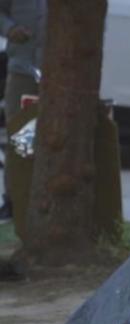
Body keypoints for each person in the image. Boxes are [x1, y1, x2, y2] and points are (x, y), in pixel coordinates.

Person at [0, 0, 45, 223]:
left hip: (61, 69)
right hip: (22, 67)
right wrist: (9, 29)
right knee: (19, 133)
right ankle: (13, 200)